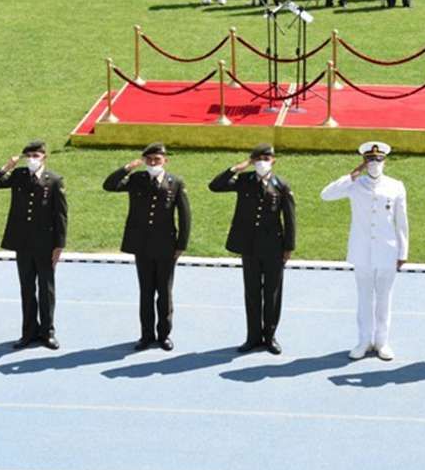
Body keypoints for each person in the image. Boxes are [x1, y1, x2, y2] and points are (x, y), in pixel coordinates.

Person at [321, 142, 409, 361]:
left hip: (388, 250)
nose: (374, 164)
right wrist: (351, 175)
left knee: (384, 298)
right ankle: (363, 341)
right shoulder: (354, 184)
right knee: (364, 299)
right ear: (364, 162)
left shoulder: (396, 186)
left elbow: (401, 222)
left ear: (384, 161)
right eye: (370, 160)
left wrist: (403, 251)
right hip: (362, 250)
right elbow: (326, 195)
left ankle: (382, 341)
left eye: (378, 160)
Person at [103, 143, 190, 351]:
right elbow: (109, 185)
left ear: (165, 161)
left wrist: (181, 245)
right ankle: (146, 334)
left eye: (157, 160)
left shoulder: (175, 182)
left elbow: (185, 215)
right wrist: (128, 168)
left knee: (165, 293)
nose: (153, 163)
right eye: (149, 160)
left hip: (166, 246)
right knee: (146, 292)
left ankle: (164, 335)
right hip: (141, 245)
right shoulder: (136, 179)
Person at [210, 144, 296, 353]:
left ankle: (270, 336)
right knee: (252, 292)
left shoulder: (281, 184)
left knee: (272, 293)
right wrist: (238, 168)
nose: (261, 162)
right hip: (249, 246)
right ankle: (253, 337)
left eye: (266, 158)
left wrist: (288, 247)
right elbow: (215, 186)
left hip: (274, 247)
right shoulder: (244, 180)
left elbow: (290, 218)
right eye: (257, 159)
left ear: (273, 160)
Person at [0, 140, 68, 350]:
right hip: (23, 242)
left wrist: (59, 246)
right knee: (27, 288)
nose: (31, 160)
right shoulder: (19, 176)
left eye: (36, 156)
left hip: (46, 244)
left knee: (46, 290)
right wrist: (7, 167)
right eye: (28, 156)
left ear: (44, 157)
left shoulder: (54, 180)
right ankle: (28, 332)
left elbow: (61, 215)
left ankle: (47, 332)